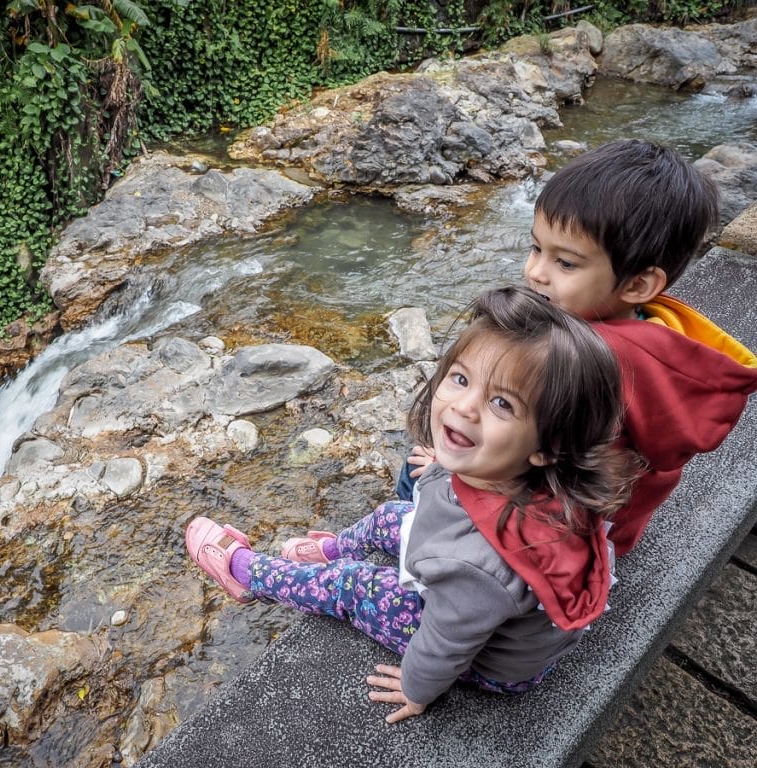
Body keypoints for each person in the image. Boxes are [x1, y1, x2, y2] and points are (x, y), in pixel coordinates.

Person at [185, 287, 643, 721]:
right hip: (504, 612)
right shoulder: (532, 474)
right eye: (461, 378)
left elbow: (446, 642)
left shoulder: (479, 570)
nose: (464, 406)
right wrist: (445, 464)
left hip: (490, 664)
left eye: (502, 403)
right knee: (393, 515)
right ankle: (328, 548)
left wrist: (416, 688)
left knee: (352, 583)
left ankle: (248, 574)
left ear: (547, 446)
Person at [396, 139, 757, 555]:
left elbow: (551, 472)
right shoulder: (663, 338)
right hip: (613, 527)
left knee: (417, 469)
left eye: (564, 263)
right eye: (536, 248)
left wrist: (447, 469)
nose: (535, 273)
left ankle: (416, 552)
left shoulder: (580, 364)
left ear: (638, 284)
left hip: (554, 534)